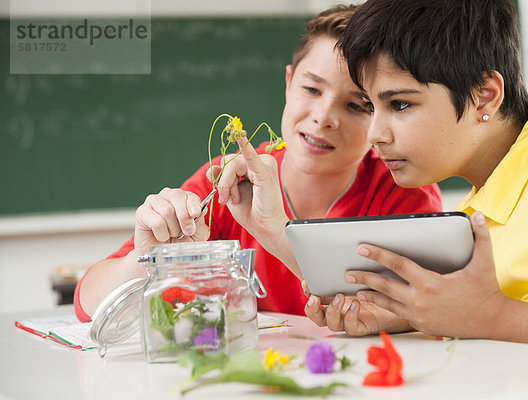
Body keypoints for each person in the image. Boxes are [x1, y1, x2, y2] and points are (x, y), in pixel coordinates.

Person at [74, 4, 443, 322]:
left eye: (356, 106)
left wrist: (275, 231)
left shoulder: (402, 192)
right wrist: (143, 261)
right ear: (288, 82)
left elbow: (423, 310)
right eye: (311, 89)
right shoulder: (228, 179)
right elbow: (87, 304)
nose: (323, 117)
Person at [297, 0, 528, 350]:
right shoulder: (473, 214)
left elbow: (494, 318)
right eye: (370, 106)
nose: (374, 134)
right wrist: (412, 315)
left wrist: (494, 317)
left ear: (484, 96)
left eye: (399, 104)